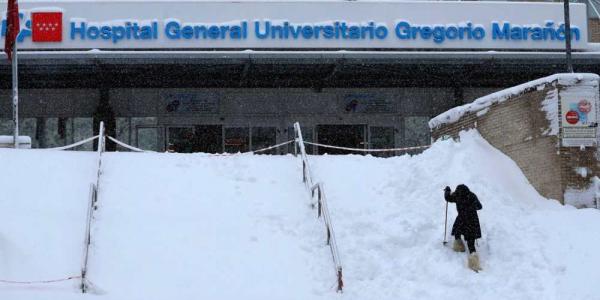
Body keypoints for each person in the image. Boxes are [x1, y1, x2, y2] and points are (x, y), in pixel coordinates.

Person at [444, 184, 483, 272]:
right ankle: (474, 262)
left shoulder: (457, 196)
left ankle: (459, 246)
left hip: (462, 219)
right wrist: (472, 207)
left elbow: (448, 198)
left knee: (457, 232)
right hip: (472, 221)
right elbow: (479, 207)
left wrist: (447, 191)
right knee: (471, 242)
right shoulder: (471, 195)